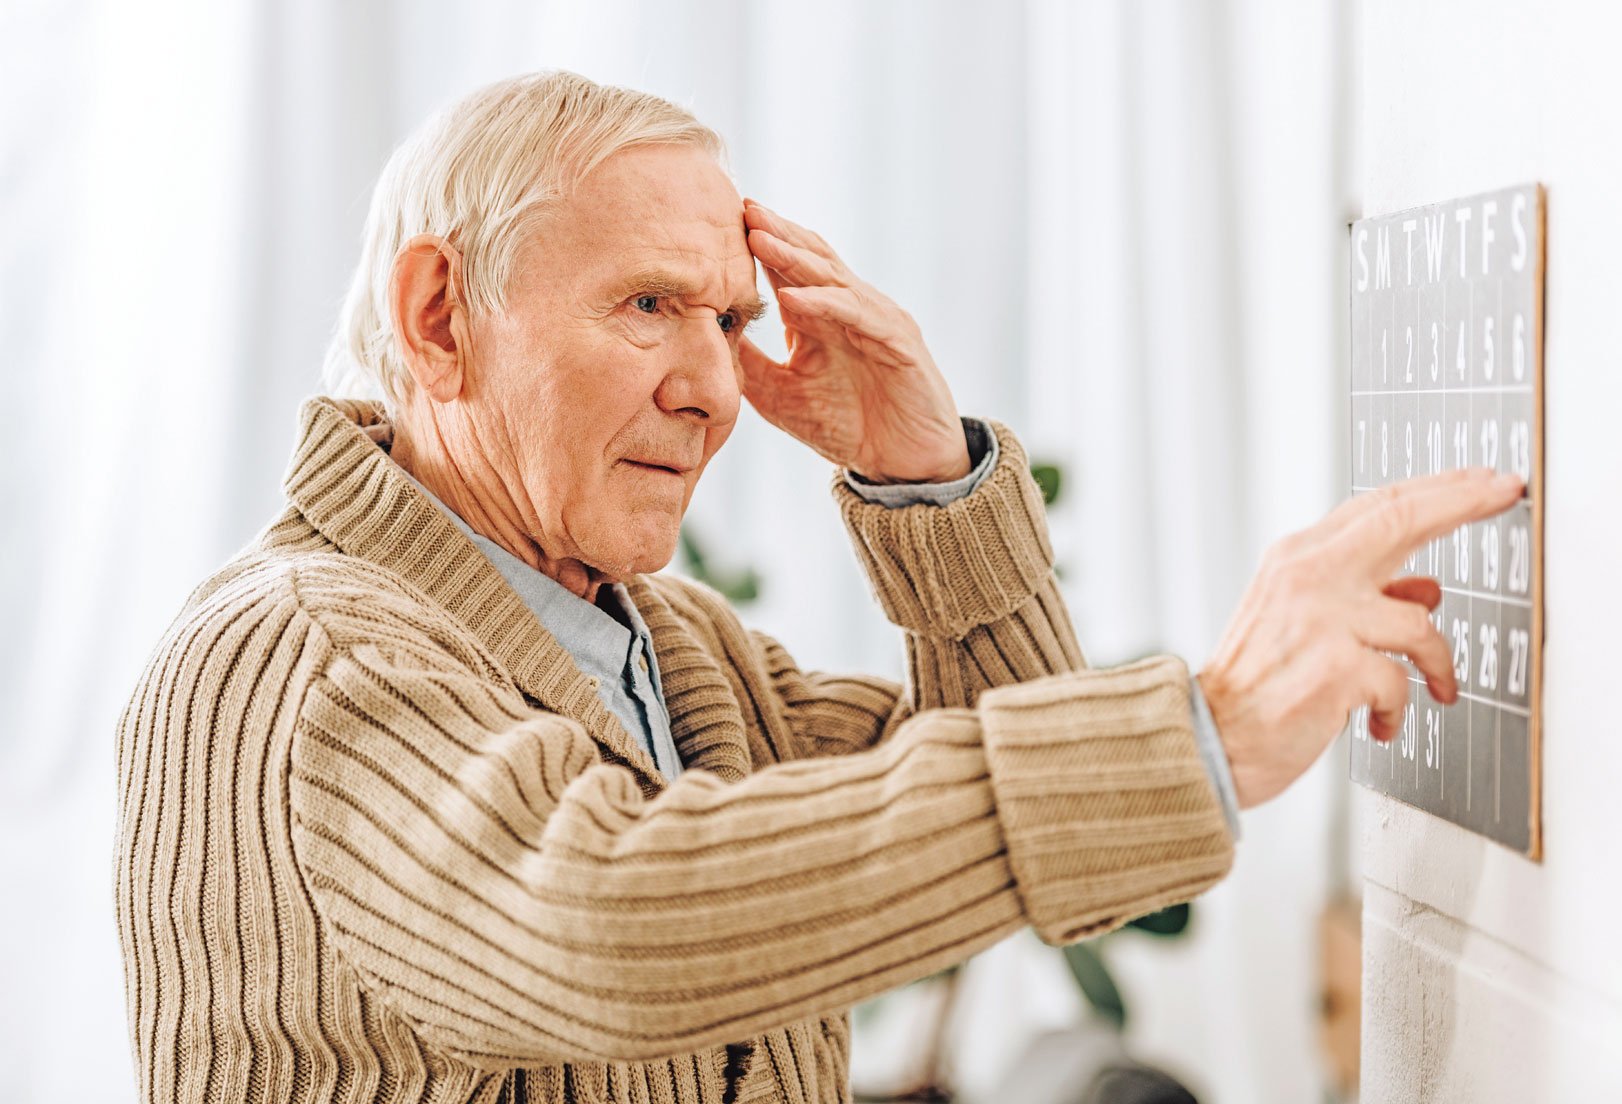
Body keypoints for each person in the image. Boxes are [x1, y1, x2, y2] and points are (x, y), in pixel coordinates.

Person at [113, 71, 1522, 1104]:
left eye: (732, 318)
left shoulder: (676, 647)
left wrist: (927, 483)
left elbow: (1053, 857)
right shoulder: (286, 656)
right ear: (439, 319)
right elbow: (605, 918)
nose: (717, 389)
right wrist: (1202, 727)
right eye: (648, 305)